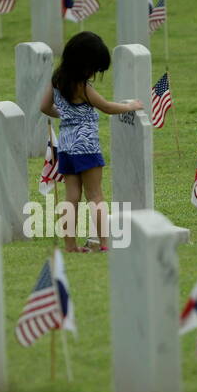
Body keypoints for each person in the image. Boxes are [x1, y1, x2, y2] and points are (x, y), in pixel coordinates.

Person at [39, 31, 143, 252]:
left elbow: (44, 107)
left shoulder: (57, 80)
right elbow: (106, 107)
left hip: (66, 145)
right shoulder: (83, 87)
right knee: (95, 194)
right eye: (94, 68)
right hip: (86, 144)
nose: (94, 73)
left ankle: (70, 245)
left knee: (71, 196)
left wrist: (65, 116)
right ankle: (105, 243)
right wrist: (130, 106)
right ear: (84, 63)